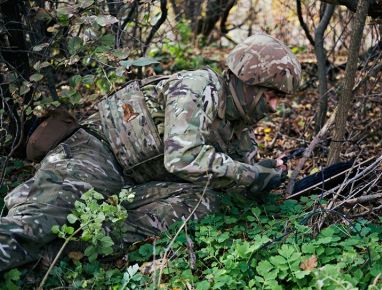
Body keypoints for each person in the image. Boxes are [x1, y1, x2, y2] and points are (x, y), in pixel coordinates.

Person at [0, 33, 301, 271]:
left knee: (205, 202)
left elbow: (240, 181)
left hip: (130, 186)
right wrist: (252, 174)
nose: (274, 107)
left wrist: (267, 173)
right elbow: (183, 158)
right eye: (272, 95)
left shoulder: (239, 129)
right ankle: (37, 228)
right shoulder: (198, 87)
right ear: (249, 83)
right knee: (30, 228)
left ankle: (66, 251)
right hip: (93, 157)